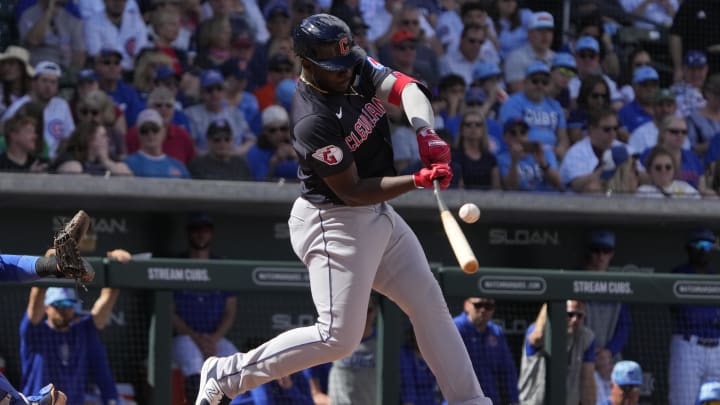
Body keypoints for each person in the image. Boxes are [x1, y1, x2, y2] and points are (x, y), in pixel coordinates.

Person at [196, 14, 493, 405]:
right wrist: (416, 180)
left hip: (377, 215)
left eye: (347, 61)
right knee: (337, 338)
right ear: (307, 63)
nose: (345, 73)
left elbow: (408, 89)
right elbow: (352, 191)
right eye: (333, 68)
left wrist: (426, 132)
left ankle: (470, 401)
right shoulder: (310, 119)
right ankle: (226, 374)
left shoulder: (353, 65)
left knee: (428, 304)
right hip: (333, 221)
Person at [20, 245, 130, 405]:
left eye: (69, 304)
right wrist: (47, 263)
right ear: (47, 307)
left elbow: (108, 298)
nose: (64, 309)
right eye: (58, 304)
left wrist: (117, 266)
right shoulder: (35, 331)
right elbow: (37, 295)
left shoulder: (83, 331)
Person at [173, 212, 240, 403]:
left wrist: (213, 339)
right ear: (188, 233)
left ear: (211, 233)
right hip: (184, 337)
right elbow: (169, 313)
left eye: (205, 230)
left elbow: (230, 311)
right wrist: (197, 338)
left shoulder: (222, 266)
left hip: (215, 337)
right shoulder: (176, 264)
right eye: (196, 230)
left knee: (236, 360)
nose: (201, 234)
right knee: (193, 360)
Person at [668, 228, 720, 405]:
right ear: (688, 249)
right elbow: (689, 315)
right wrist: (714, 317)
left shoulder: (716, 277)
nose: (703, 249)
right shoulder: (679, 274)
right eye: (698, 245)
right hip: (689, 346)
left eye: (707, 245)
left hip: (716, 347)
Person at [518, 301, 597, 405]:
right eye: (570, 314)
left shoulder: (586, 338)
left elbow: (588, 381)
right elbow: (537, 337)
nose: (575, 319)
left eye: (579, 315)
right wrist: (550, 300)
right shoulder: (536, 330)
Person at [581, 231, 632, 379]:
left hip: (610, 362)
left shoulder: (619, 284)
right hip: (582, 359)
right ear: (589, 252)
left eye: (606, 251)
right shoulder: (575, 281)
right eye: (596, 250)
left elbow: (625, 326)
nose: (601, 256)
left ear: (612, 254)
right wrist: (591, 354)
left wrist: (609, 352)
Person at [1, 61, 74, 159]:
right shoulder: (19, 106)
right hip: (27, 158)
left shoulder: (62, 105)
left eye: (53, 82)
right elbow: (5, 133)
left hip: (54, 160)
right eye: (44, 81)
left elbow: (67, 137)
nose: (48, 86)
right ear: (34, 83)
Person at [454, 297, 519, 405]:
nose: (483, 310)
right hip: (462, 401)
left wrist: (513, 400)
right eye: (478, 305)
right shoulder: (456, 328)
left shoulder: (496, 332)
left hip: (490, 399)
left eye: (488, 306)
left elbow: (508, 371)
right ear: (466, 305)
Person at [499, 61, 569, 159]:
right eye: (535, 81)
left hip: (551, 156)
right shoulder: (512, 103)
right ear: (525, 82)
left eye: (544, 82)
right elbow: (513, 136)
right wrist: (540, 150)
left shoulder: (555, 105)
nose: (540, 85)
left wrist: (560, 149)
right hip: (523, 156)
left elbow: (563, 137)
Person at [560, 109, 627, 193]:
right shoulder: (577, 152)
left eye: (615, 128)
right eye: (607, 129)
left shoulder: (623, 148)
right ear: (591, 129)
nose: (613, 133)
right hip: (580, 203)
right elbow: (576, 185)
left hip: (617, 199)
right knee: (592, 187)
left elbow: (643, 177)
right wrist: (604, 170)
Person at [327, 297, 379, 405]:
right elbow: (315, 392)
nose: (364, 316)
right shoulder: (335, 340)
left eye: (368, 311)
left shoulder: (382, 345)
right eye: (360, 311)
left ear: (375, 312)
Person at [496, 117, 562, 192]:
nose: (519, 137)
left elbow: (558, 183)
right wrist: (514, 161)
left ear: (528, 134)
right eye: (513, 133)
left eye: (523, 132)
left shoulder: (545, 153)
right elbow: (511, 188)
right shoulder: (501, 159)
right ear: (505, 137)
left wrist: (543, 163)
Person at [18, 0, 86, 69]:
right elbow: (33, 41)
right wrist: (49, 12)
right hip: (36, 68)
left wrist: (70, 75)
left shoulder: (73, 20)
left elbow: (79, 55)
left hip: (62, 70)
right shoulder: (28, 15)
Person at [83, 0, 149, 71]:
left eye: (122, 0)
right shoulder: (92, 22)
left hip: (132, 73)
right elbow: (96, 56)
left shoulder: (136, 21)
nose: (118, 3)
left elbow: (141, 53)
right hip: (105, 73)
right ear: (104, 1)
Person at [124, 108, 190, 179]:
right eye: (144, 130)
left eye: (155, 129)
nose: (150, 134)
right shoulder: (128, 165)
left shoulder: (178, 166)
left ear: (163, 132)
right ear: (138, 134)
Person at [503, 11, 555, 93]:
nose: (545, 35)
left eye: (549, 30)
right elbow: (519, 91)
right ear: (529, 34)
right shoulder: (516, 57)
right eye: (540, 30)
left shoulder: (556, 58)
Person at [187, 118, 253, 181]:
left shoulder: (241, 164)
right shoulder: (197, 166)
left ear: (232, 141)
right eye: (217, 139)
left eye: (227, 139)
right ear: (208, 141)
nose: (222, 143)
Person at [246, 105, 298, 182]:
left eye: (283, 128)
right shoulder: (256, 153)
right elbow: (259, 185)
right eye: (272, 130)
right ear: (264, 132)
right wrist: (273, 164)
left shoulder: (300, 146)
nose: (279, 134)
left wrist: (299, 159)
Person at [617, 66, 659, 134]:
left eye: (654, 85)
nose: (650, 89)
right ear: (634, 87)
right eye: (645, 85)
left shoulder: (663, 109)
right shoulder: (625, 112)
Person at [671, 50, 708, 117]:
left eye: (700, 69)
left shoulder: (711, 90)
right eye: (692, 69)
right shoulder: (677, 92)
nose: (696, 74)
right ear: (683, 69)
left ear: (706, 69)